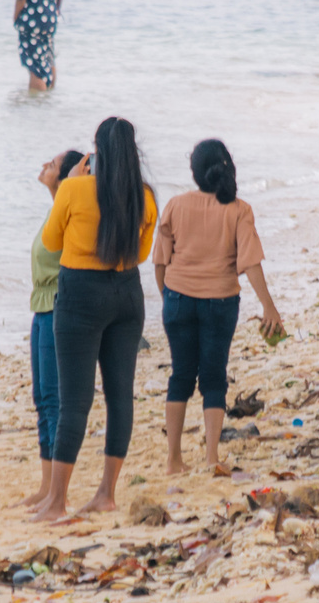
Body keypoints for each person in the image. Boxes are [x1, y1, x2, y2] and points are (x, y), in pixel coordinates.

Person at [32, 115, 155, 522]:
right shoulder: (145, 196)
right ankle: (106, 494)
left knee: (75, 401)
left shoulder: (75, 188)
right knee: (120, 396)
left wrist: (75, 184)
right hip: (127, 294)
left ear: (96, 152)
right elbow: (140, 254)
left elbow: (51, 241)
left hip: (81, 297)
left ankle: (56, 502)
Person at [153, 138, 284, 477]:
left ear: (195, 173)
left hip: (178, 301)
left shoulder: (175, 205)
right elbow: (251, 262)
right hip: (220, 304)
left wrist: (168, 298)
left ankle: (173, 461)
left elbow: (159, 262)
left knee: (180, 375)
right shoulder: (239, 209)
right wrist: (269, 308)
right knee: (213, 378)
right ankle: (212, 459)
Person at [23, 145, 87, 508]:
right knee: (41, 397)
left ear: (66, 176)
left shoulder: (70, 210)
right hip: (41, 307)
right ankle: (45, 484)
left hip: (57, 307)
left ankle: (54, 490)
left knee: (53, 399)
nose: (45, 163)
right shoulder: (56, 209)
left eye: (54, 163)